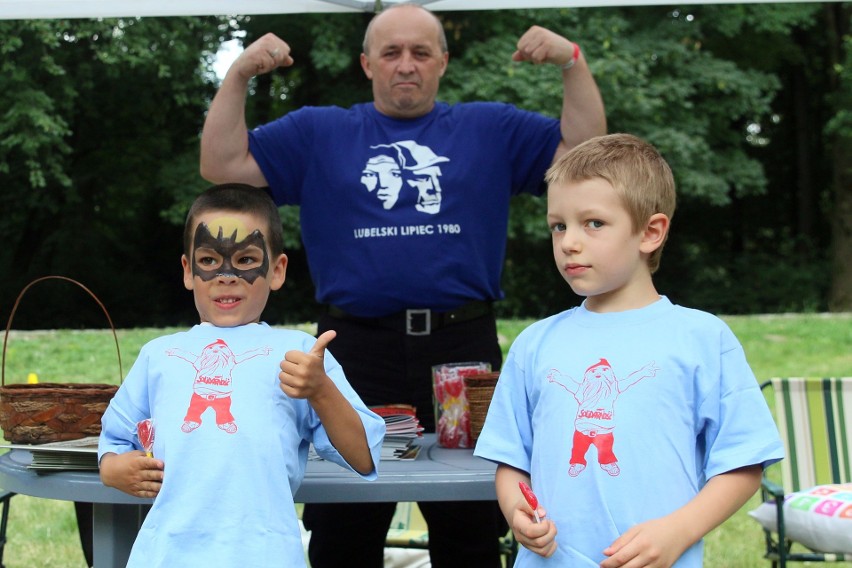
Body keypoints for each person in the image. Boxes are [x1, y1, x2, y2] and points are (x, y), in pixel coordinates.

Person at [199, 3, 606, 566]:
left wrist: (572, 63)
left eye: (420, 52)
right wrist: (239, 73)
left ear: (443, 60)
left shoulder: (488, 127)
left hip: (463, 352)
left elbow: (584, 157)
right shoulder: (321, 131)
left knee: (470, 525)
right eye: (391, 53)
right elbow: (222, 165)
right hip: (350, 351)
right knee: (345, 525)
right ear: (367, 64)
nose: (406, 65)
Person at [473, 133, 786, 567]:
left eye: (593, 223)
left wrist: (678, 531)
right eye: (558, 225)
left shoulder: (701, 338)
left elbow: (744, 464)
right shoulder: (534, 344)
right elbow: (510, 460)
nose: (568, 242)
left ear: (650, 232)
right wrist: (516, 510)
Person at [97, 183, 386, 567]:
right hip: (166, 555)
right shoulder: (159, 355)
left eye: (247, 260)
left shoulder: (301, 354)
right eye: (210, 261)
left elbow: (364, 457)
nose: (227, 275)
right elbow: (113, 438)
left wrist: (321, 390)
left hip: (266, 555)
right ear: (188, 270)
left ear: (278, 270)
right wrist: (114, 469)